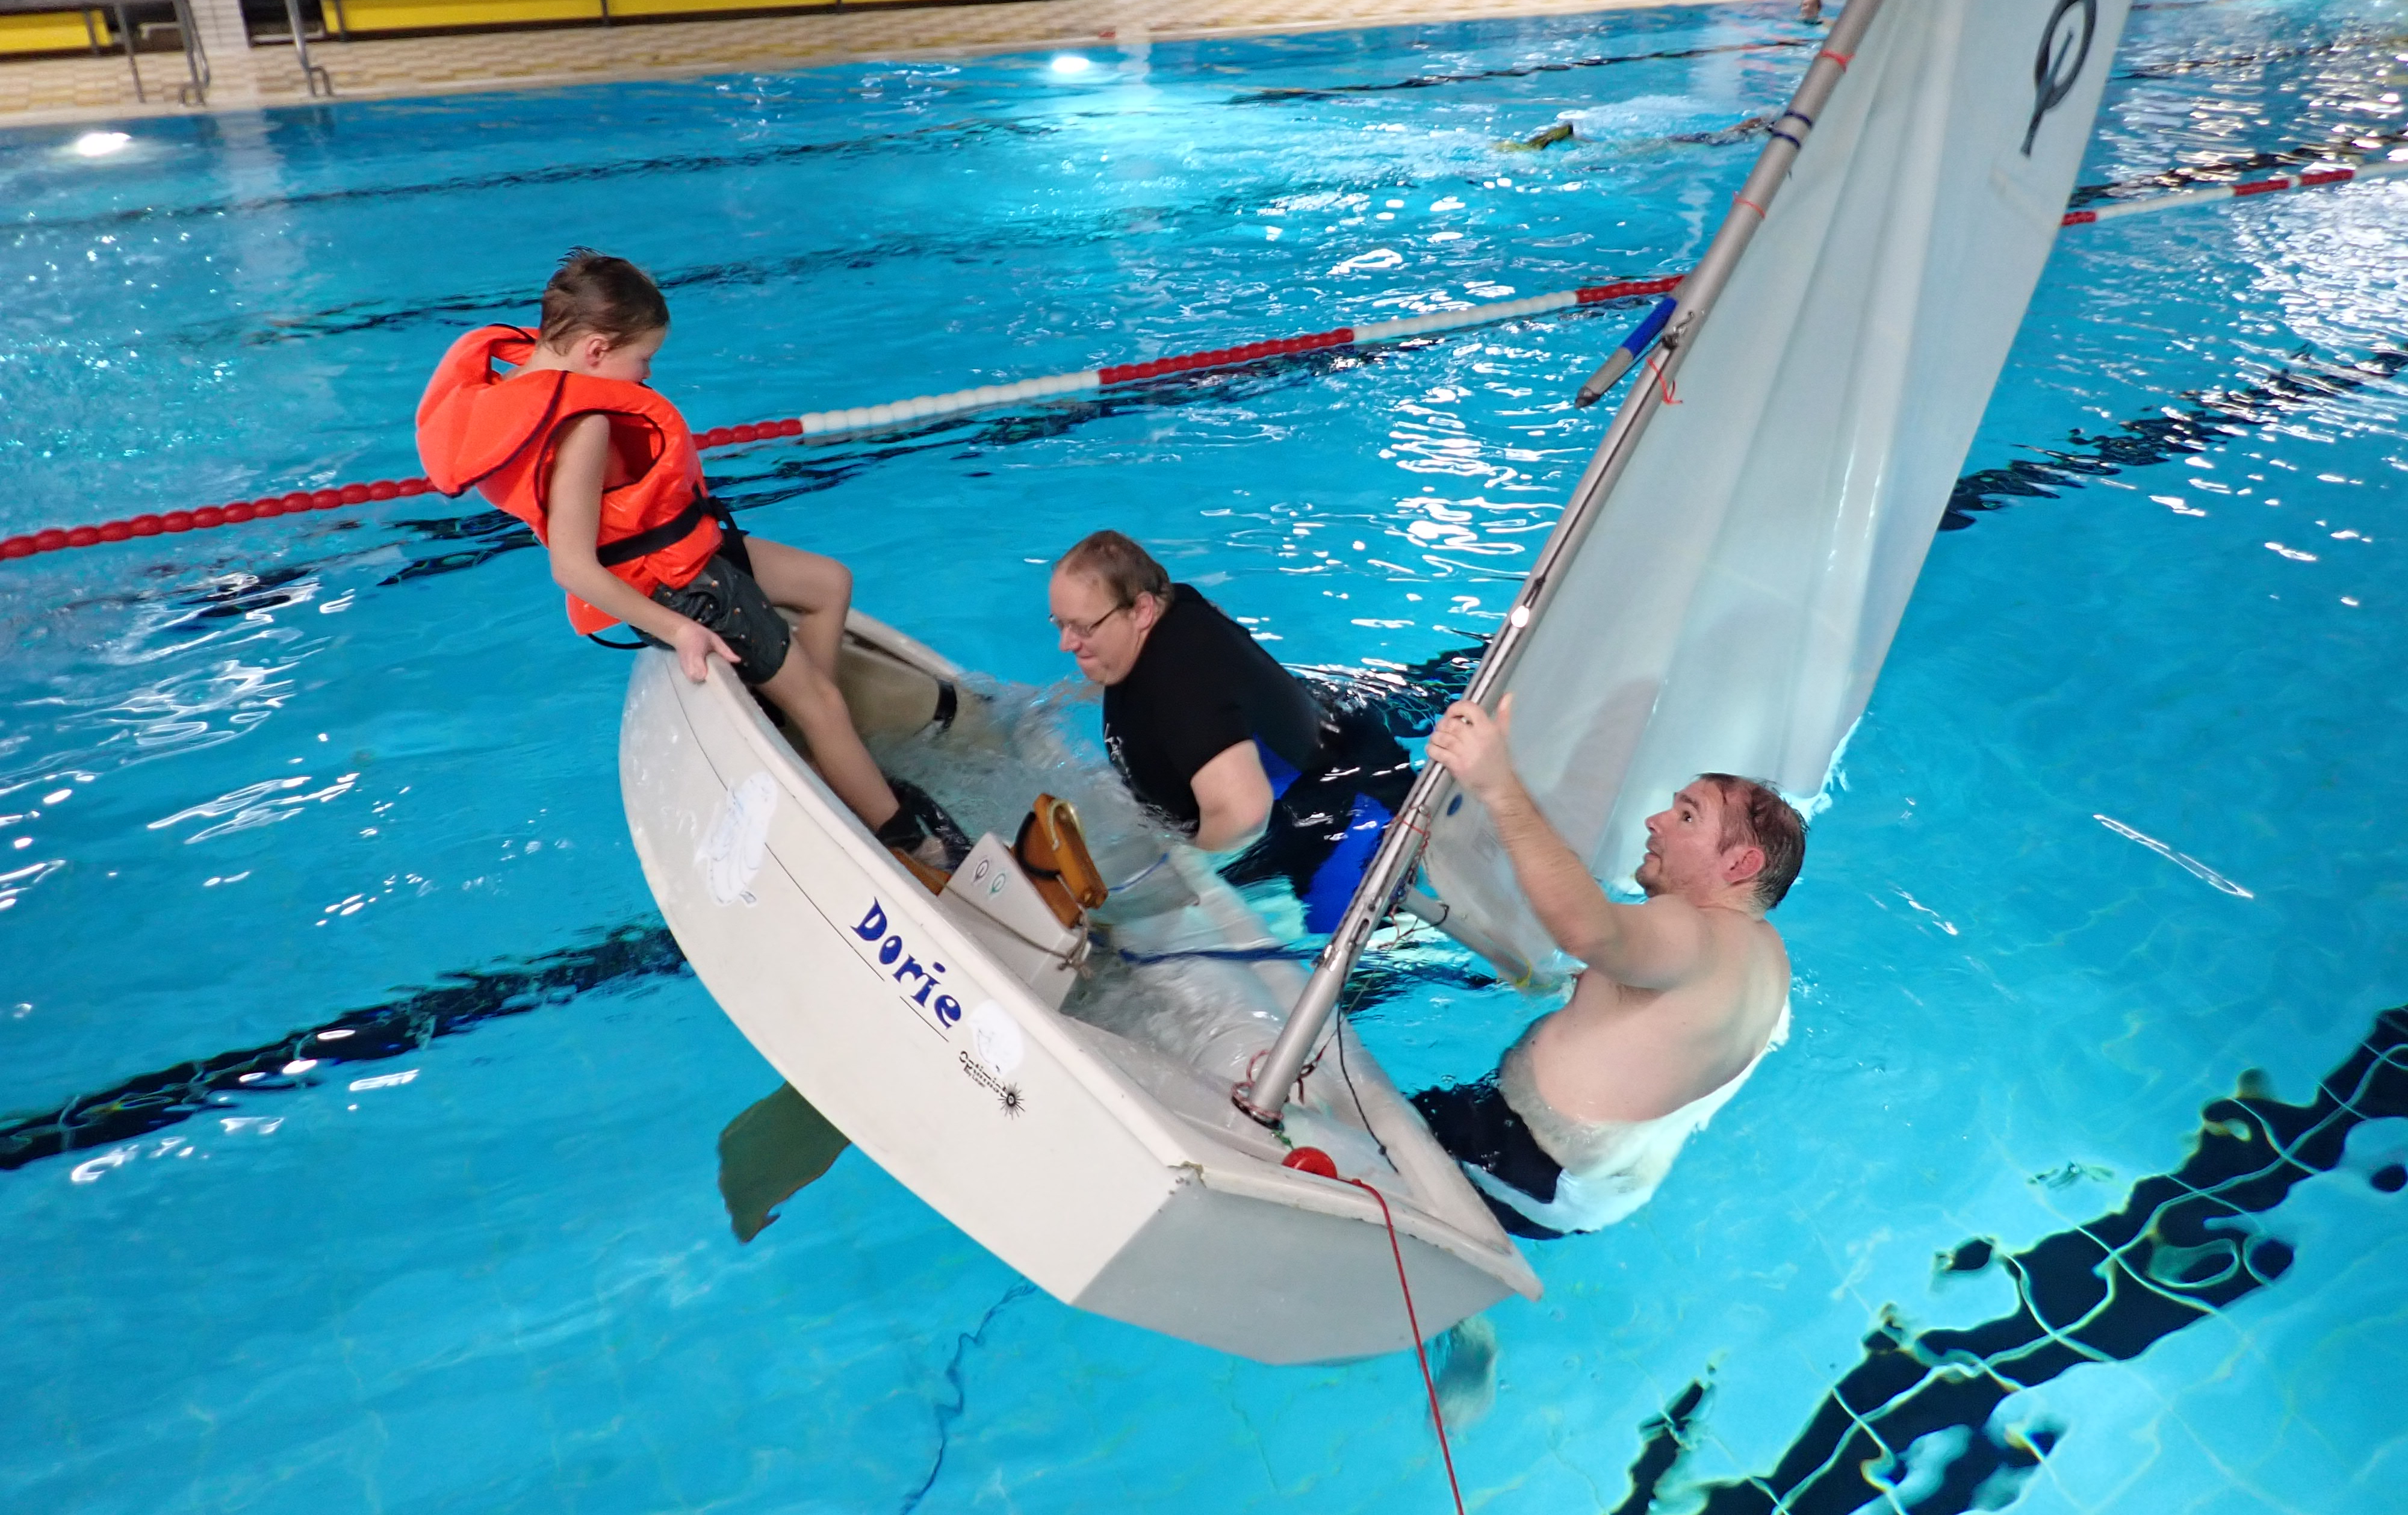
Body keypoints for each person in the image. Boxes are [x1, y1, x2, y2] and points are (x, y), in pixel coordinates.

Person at [415, 250, 961, 871]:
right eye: (643, 359)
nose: (647, 376)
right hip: (678, 582)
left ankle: (812, 734)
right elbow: (572, 566)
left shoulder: (511, 385)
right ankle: (908, 841)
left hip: (680, 545)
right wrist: (679, 627)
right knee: (825, 705)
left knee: (828, 583)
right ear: (595, 350)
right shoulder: (582, 424)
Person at [1411, 696, 1801, 1238]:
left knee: (1337, 1123)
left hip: (1516, 1158)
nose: (1656, 821)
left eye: (1687, 816)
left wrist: (1498, 786)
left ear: (1741, 864)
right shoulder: (1766, 956)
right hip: (1592, 1187)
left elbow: (1586, 929)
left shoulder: (1696, 933)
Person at [1049, 530, 1410, 928]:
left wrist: (1186, 855)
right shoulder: (1174, 606)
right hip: (1326, 732)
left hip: (1335, 813)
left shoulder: (1181, 693)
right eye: (1061, 624)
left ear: (1142, 611)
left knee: (1363, 967)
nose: (1067, 644)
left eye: (1084, 628)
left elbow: (1245, 813)